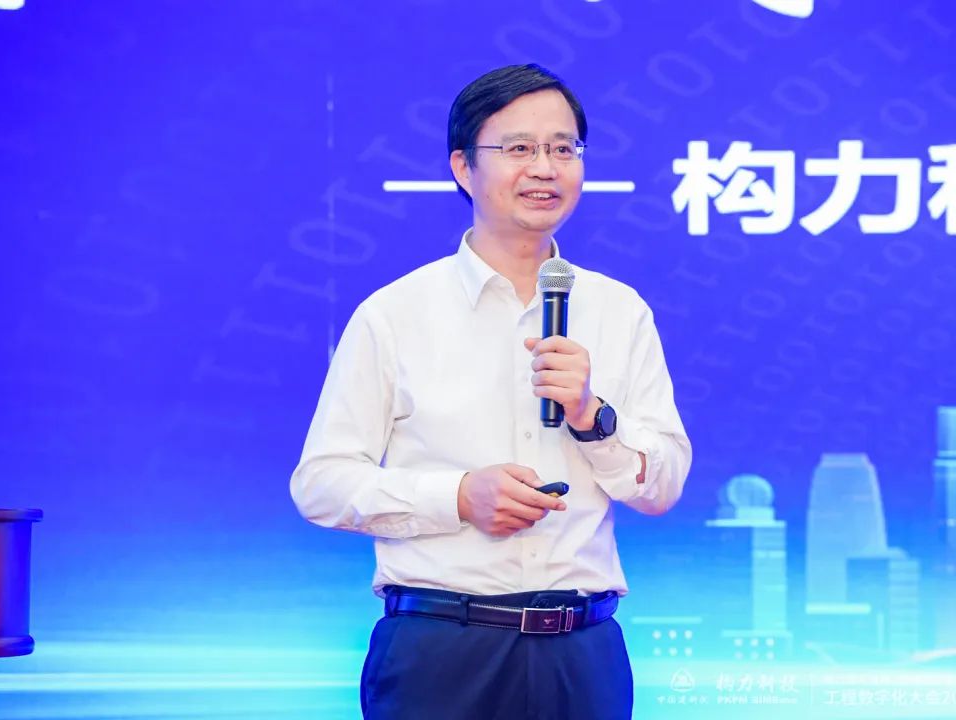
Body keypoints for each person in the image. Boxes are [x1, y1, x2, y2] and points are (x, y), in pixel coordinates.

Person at [290, 63, 691, 720]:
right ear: (462, 167)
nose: (545, 168)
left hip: (582, 654)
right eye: (519, 148)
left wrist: (592, 416)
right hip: (441, 651)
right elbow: (322, 484)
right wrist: (457, 497)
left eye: (563, 149)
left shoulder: (620, 311)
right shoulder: (395, 314)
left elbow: (663, 485)